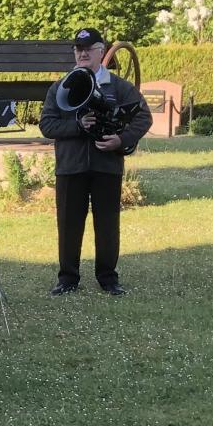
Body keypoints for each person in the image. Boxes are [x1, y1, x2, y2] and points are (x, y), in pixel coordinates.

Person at [37, 28, 152, 296]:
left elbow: (143, 117)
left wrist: (121, 140)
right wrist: (77, 126)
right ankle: (67, 278)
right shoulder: (60, 86)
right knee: (68, 224)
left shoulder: (120, 86)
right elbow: (47, 124)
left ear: (102, 51)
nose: (83, 53)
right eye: (78, 49)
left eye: (89, 48)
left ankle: (108, 278)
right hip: (70, 167)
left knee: (108, 224)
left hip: (106, 166)